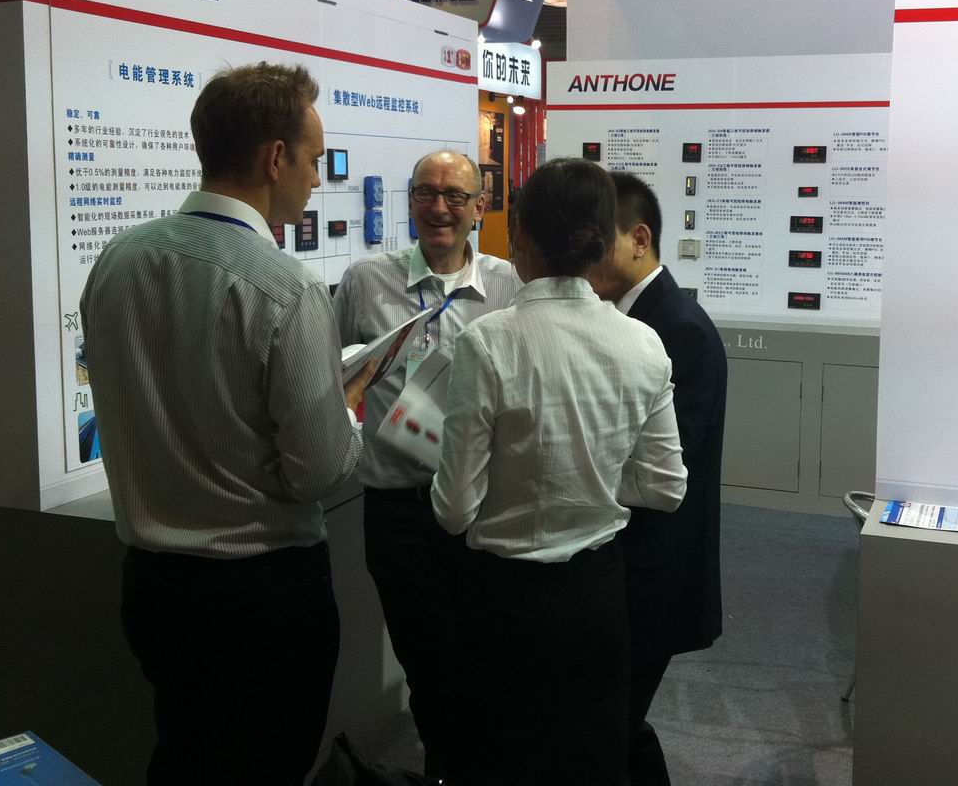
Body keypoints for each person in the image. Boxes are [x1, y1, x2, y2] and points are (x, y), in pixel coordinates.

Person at [80, 62, 374, 785]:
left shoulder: (117, 262)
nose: (316, 179)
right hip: (260, 599)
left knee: (185, 755)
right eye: (312, 160)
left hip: (153, 587)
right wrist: (347, 405)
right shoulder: (285, 287)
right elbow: (320, 470)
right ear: (275, 157)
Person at [431, 158, 689, 786]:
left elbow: (454, 509)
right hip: (599, 597)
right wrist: (590, 477)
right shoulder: (643, 342)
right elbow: (666, 486)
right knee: (591, 757)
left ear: (519, 235)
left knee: (496, 759)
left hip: (504, 601)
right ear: (601, 241)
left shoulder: (488, 342)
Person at [331, 150, 520, 781]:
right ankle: (445, 765)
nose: (439, 208)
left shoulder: (507, 286)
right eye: (425, 193)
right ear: (409, 200)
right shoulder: (366, 281)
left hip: (480, 508)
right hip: (397, 510)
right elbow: (334, 376)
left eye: (455, 196)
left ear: (480, 207)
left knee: (481, 655)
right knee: (424, 659)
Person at [588, 171, 728, 786]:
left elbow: (670, 469)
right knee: (613, 724)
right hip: (621, 565)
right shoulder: (622, 317)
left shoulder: (679, 329)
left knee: (609, 725)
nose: (585, 257)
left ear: (639, 239)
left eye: (597, 242)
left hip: (652, 569)